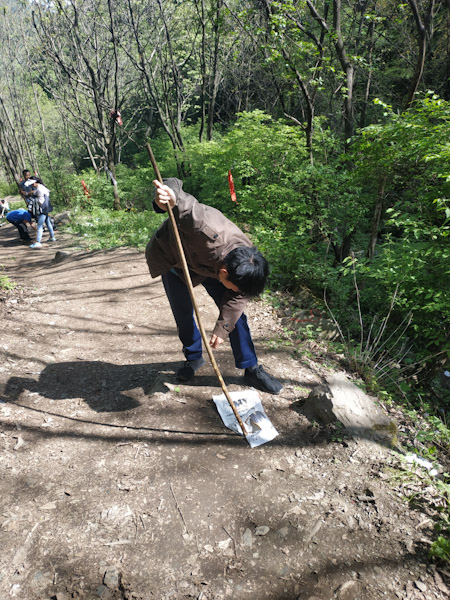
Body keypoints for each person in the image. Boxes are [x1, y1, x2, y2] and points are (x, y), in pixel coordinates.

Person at [145, 178, 283, 395]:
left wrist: (222, 328)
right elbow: (183, 199)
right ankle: (193, 358)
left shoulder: (247, 260)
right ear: (225, 274)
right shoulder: (203, 225)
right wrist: (169, 197)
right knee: (182, 312)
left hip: (211, 266)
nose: (237, 293)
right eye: (234, 288)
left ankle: (251, 369)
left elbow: (238, 297)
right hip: (175, 260)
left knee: (236, 317)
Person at [28, 178, 56, 249]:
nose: (32, 185)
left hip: (42, 209)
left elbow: (39, 200)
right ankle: (52, 237)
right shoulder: (43, 187)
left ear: (34, 183)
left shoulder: (39, 189)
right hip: (46, 208)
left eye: (32, 183)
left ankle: (38, 242)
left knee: (39, 226)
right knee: (48, 223)